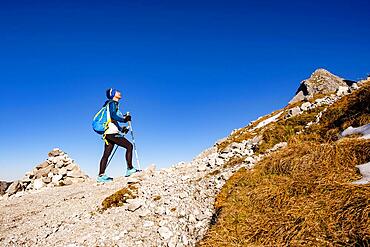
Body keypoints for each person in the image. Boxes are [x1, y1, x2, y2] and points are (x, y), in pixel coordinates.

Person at [97, 88, 140, 183]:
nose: (119, 92)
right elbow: (113, 116)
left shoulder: (111, 104)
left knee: (106, 155)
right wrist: (125, 120)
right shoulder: (112, 103)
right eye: (117, 91)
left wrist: (121, 129)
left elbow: (113, 120)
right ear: (113, 94)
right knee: (129, 146)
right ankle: (130, 169)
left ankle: (101, 176)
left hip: (108, 133)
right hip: (111, 133)